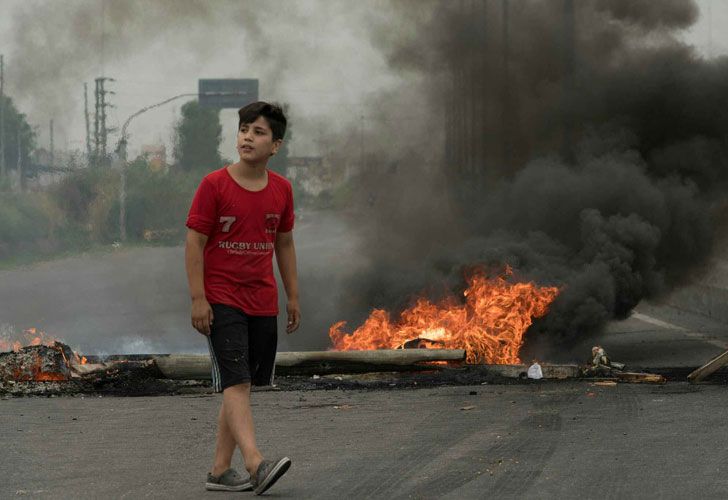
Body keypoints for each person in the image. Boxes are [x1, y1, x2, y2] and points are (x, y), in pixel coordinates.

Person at [185, 101, 300, 495]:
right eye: (244, 129)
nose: (248, 136)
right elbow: (194, 243)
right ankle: (256, 464)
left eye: (259, 132)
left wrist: (293, 297)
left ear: (276, 145)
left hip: (262, 301)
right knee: (236, 383)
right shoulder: (214, 185)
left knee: (242, 385)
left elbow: (284, 244)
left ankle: (219, 471)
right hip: (222, 300)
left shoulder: (282, 190)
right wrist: (199, 299)